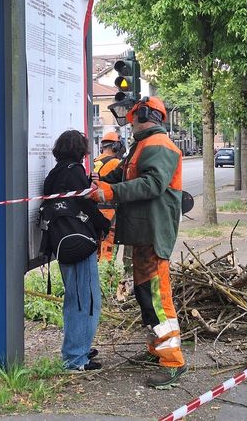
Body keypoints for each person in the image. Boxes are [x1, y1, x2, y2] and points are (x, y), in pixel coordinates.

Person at [88, 96, 187, 389]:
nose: (129, 123)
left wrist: (110, 193)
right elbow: (122, 175)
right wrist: (101, 182)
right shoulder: (140, 147)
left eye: (132, 117)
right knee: (146, 294)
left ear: (144, 115)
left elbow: (152, 184)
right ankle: (158, 349)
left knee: (157, 296)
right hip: (143, 232)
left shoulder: (158, 146)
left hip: (154, 231)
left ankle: (173, 362)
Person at [43, 130, 110, 372]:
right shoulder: (74, 172)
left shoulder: (54, 173)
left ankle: (78, 347)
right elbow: (86, 206)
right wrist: (105, 223)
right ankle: (75, 358)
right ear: (80, 150)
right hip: (80, 242)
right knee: (86, 300)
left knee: (75, 298)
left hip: (61, 242)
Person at [93, 131, 123, 262]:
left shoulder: (94, 161)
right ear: (116, 146)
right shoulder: (116, 163)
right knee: (108, 248)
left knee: (96, 247)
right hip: (110, 212)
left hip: (95, 211)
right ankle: (107, 278)